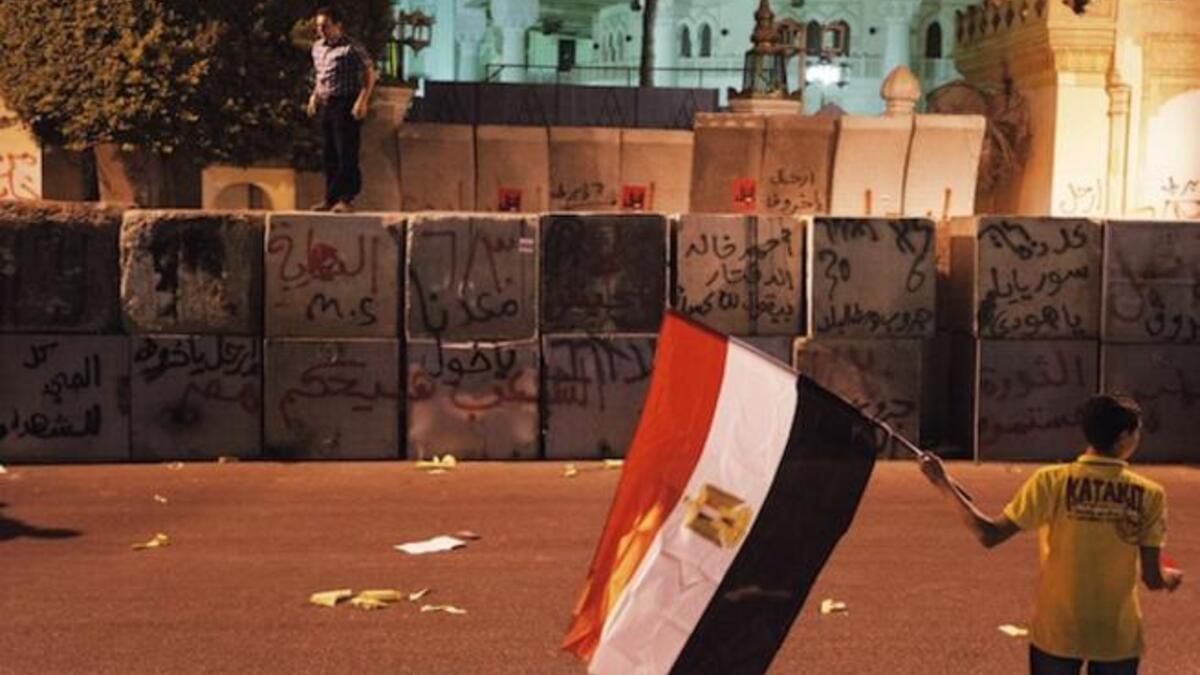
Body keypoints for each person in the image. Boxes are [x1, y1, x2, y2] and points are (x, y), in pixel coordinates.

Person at [919, 394, 1183, 675]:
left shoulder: (1050, 481)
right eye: (1136, 431)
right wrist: (1170, 577)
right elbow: (1152, 578)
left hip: (1057, 630)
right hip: (1116, 635)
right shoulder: (1150, 494)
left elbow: (989, 534)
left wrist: (941, 482)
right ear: (1123, 437)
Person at [307, 5, 376, 213]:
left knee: (346, 152)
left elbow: (369, 73)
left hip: (346, 102)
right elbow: (321, 76)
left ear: (338, 25)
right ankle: (330, 197)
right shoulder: (317, 47)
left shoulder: (351, 48)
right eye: (319, 26)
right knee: (329, 154)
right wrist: (314, 96)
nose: (322, 30)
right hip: (327, 102)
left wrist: (362, 100)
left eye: (326, 26)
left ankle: (347, 198)